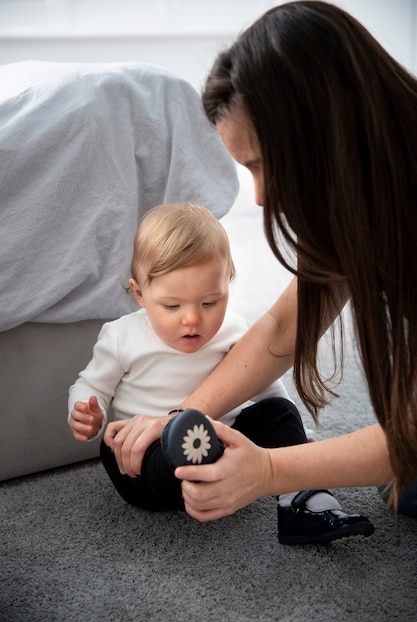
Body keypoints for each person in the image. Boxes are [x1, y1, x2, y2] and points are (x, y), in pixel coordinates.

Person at [101, 1, 417, 522]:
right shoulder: (361, 198)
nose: (261, 198)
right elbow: (284, 325)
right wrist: (183, 414)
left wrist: (269, 471)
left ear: (326, 132)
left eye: (264, 164)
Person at [69, 202, 374, 544]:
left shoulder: (232, 331)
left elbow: (267, 388)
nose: (192, 319)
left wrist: (291, 439)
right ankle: (190, 460)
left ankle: (306, 503)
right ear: (140, 293)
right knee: (115, 446)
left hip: (221, 448)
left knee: (279, 412)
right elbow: (90, 385)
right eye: (172, 306)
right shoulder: (121, 336)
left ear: (229, 283)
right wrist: (85, 411)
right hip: (146, 462)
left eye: (210, 302)